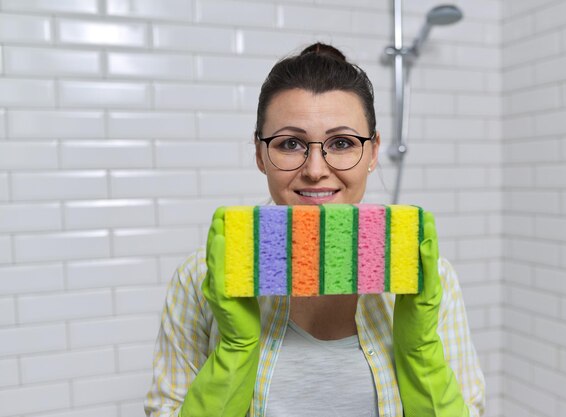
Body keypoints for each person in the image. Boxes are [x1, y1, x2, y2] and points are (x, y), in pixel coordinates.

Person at [144, 42, 485, 417]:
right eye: (291, 143)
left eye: (341, 143)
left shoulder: (427, 276)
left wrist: (418, 348)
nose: (315, 169)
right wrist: (236, 348)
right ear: (260, 155)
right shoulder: (202, 277)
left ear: (373, 153)